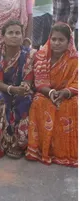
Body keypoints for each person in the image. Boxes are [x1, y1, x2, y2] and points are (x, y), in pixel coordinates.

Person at [26, 23, 78, 167]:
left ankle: (63, 152)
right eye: (54, 39)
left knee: (74, 105)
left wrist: (65, 92)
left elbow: (77, 82)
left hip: (67, 94)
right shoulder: (41, 56)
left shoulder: (74, 60)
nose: (56, 43)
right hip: (46, 93)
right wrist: (50, 92)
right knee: (38, 102)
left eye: (61, 40)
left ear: (69, 42)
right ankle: (41, 149)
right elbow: (38, 81)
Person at [0, 20, 35, 161]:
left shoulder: (30, 55)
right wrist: (12, 89)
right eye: (10, 33)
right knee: (0, 99)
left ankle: (19, 144)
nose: (14, 36)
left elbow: (28, 79)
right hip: (4, 90)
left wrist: (24, 87)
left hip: (21, 90)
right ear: (3, 36)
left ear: (23, 36)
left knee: (26, 99)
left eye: (18, 33)